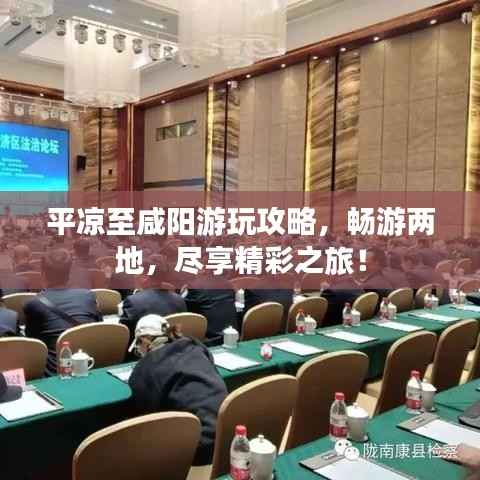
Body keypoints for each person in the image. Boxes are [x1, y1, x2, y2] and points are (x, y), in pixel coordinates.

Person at [129, 315, 228, 466]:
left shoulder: (144, 368)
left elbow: (144, 412)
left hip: (198, 448)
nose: (139, 352)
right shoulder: (195, 346)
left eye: (138, 347)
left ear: (145, 341)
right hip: (228, 433)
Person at [24, 249, 102, 376]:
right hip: (87, 364)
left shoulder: (33, 304)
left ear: (42, 273)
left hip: (55, 373)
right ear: (70, 273)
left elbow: (33, 344)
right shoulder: (88, 296)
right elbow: (98, 327)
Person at [119, 258, 187, 345]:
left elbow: (123, 337)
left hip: (145, 350)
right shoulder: (179, 300)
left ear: (145, 277)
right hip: (176, 348)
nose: (135, 275)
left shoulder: (133, 302)